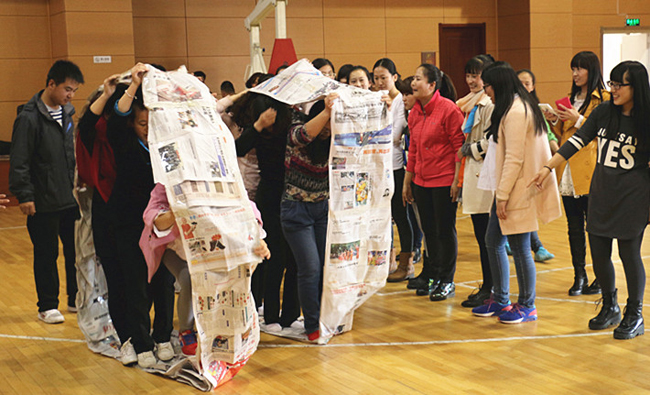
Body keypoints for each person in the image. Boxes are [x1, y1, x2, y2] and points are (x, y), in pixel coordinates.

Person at [531, 61, 650, 339]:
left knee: (629, 254)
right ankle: (610, 306)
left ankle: (635, 313)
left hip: (633, 195)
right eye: (612, 83)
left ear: (637, 87)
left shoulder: (646, 117)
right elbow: (578, 140)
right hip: (602, 190)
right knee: (598, 253)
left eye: (621, 84)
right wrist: (548, 166)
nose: (614, 89)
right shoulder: (605, 111)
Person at [471, 61, 561, 324]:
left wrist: (502, 195)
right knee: (493, 240)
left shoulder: (517, 111)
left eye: (486, 85)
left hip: (519, 188)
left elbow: (515, 158)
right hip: (512, 186)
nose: (485, 91)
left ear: (496, 83)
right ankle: (501, 299)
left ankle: (527, 305)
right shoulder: (513, 106)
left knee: (521, 248)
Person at [140, 183, 271, 355]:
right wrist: (175, 213)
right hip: (174, 247)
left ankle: (223, 332)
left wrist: (258, 238)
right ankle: (186, 330)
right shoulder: (166, 184)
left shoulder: (224, 180)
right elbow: (154, 216)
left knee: (230, 277)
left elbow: (247, 208)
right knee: (189, 279)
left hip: (212, 247)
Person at [107, 63, 175, 368]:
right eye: (142, 124)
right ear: (133, 124)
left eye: (151, 124)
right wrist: (133, 86)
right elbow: (117, 115)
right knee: (135, 283)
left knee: (163, 282)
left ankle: (163, 337)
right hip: (129, 222)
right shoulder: (124, 143)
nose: (147, 129)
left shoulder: (167, 148)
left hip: (162, 225)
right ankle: (142, 341)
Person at [9, 60, 84, 324]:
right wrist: (24, 195)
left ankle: (77, 299)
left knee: (76, 252)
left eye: (73, 90)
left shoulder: (68, 114)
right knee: (46, 252)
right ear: (51, 84)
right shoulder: (28, 118)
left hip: (69, 197)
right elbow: (19, 159)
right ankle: (48, 305)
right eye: (67, 89)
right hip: (42, 200)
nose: (70, 95)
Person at [542, 51, 609, 296]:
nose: (575, 74)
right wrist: (553, 119)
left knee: (596, 228)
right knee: (573, 227)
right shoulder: (568, 99)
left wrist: (579, 119)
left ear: (591, 70)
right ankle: (579, 274)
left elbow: (604, 132)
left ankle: (602, 277)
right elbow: (561, 137)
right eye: (573, 69)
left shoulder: (604, 98)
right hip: (567, 169)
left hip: (591, 171)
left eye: (580, 69)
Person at [234, 91, 301, 333]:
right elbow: (237, 149)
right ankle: (270, 314)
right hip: (270, 195)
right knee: (274, 257)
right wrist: (259, 125)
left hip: (293, 193)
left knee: (294, 258)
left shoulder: (292, 123)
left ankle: (290, 314)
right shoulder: (259, 129)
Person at [402, 64, 465, 301]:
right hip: (421, 181)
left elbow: (459, 148)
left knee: (444, 230)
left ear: (432, 85)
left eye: (418, 79)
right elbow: (414, 149)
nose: (414, 83)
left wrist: (457, 180)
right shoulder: (416, 112)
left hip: (444, 180)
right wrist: (408, 181)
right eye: (414, 78)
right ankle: (433, 274)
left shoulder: (449, 110)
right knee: (428, 230)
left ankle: (446, 280)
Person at [281, 92, 339, 342]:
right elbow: (302, 135)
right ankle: (312, 325)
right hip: (296, 211)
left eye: (332, 124)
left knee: (326, 268)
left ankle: (325, 319)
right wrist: (326, 111)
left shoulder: (334, 141)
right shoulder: (297, 128)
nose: (328, 129)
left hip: (322, 210)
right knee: (310, 268)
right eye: (325, 124)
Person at [455, 55, 495, 307]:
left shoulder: (489, 104)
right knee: (482, 235)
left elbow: (493, 140)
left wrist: (471, 149)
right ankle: (488, 285)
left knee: (488, 238)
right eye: (468, 75)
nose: (471, 80)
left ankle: (492, 287)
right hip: (471, 173)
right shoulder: (465, 103)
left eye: (476, 75)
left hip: (485, 174)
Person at [371, 58, 412, 282]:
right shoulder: (374, 98)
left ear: (394, 77)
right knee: (381, 216)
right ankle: (387, 260)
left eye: (383, 77)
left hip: (395, 165)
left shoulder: (400, 101)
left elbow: (394, 135)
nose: (379, 82)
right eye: (375, 78)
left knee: (400, 215)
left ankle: (407, 262)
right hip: (375, 165)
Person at [509, 68, 556, 263]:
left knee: (528, 210)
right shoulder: (511, 110)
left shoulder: (537, 110)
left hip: (533, 168)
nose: (524, 87)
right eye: (520, 83)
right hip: (516, 170)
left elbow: (548, 135)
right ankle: (536, 246)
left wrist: (557, 150)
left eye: (527, 84)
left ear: (533, 86)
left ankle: (536, 246)